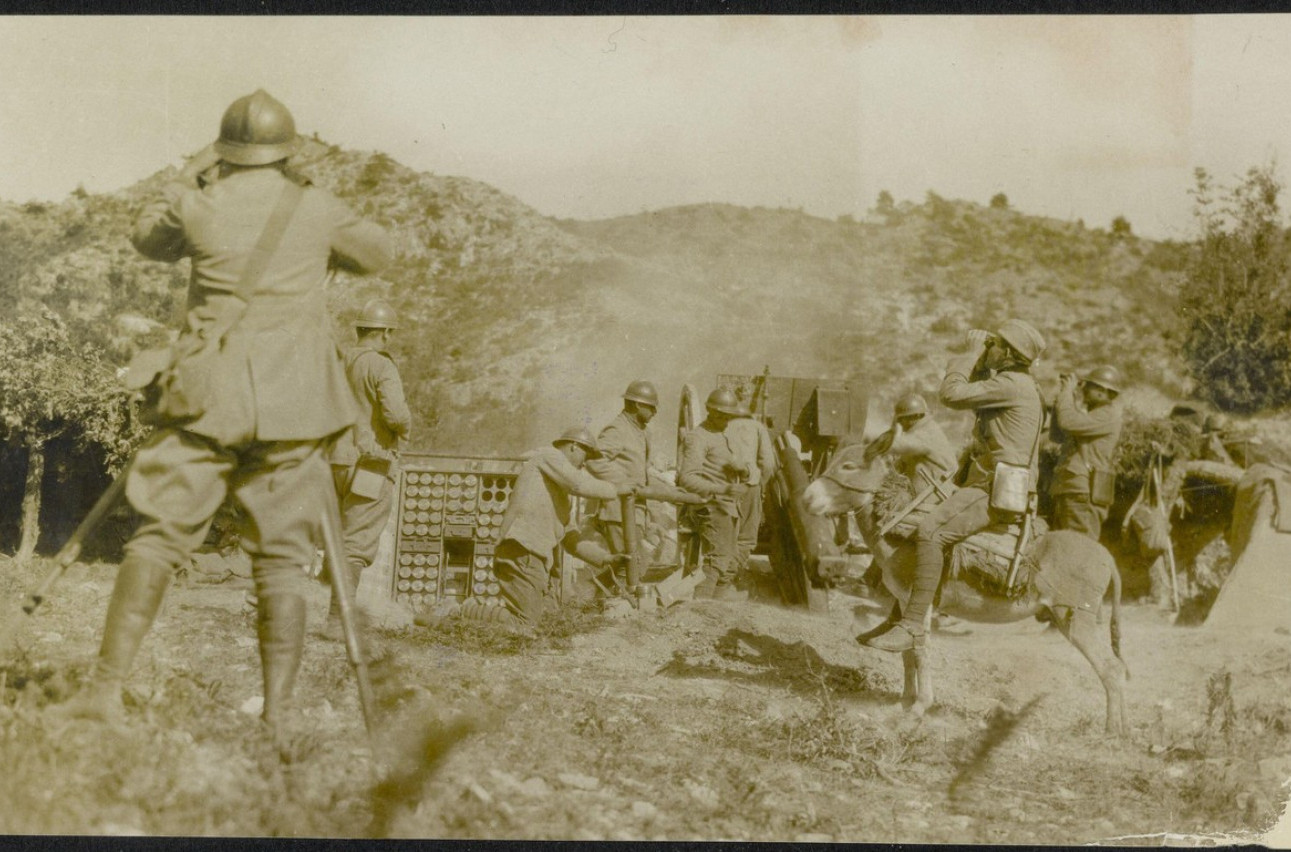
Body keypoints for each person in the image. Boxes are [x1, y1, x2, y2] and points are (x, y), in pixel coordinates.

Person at [52, 91, 393, 742]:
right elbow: (376, 254)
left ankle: (102, 695)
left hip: (206, 399)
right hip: (292, 409)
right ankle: (278, 718)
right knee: (282, 560)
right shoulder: (314, 206)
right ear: (286, 151)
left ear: (225, 151)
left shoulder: (198, 203)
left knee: (156, 538)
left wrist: (186, 177)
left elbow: (147, 237)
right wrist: (310, 189)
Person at [864, 319, 1046, 653]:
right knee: (921, 518)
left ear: (1007, 354)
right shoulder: (1015, 383)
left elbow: (951, 394)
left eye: (995, 345)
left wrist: (971, 350)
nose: (989, 348)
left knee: (930, 532)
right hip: (990, 483)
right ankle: (899, 613)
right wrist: (979, 358)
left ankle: (914, 626)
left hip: (993, 489)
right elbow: (974, 394)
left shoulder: (1012, 385)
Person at [452, 427, 630, 633]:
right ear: (573, 446)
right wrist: (616, 489)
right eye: (585, 455)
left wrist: (605, 559)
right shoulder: (547, 456)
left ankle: (465, 613)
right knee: (527, 625)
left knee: (545, 621)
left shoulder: (561, 497)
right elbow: (579, 485)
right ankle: (462, 612)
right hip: (522, 551)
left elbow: (570, 538)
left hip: (531, 556)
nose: (584, 464)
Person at [323, 299, 412, 640]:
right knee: (356, 544)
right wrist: (405, 429)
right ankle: (336, 621)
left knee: (331, 538)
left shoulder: (338, 362)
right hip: (370, 463)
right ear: (386, 334)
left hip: (333, 461)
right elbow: (396, 415)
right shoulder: (381, 365)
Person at [577, 380, 659, 588]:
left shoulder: (639, 432)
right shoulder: (618, 428)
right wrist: (623, 482)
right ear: (637, 405)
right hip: (617, 510)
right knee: (631, 564)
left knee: (630, 564)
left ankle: (591, 599)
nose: (655, 412)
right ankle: (599, 604)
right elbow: (594, 459)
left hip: (633, 510)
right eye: (651, 407)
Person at [678, 388, 750, 600]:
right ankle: (700, 612)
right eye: (721, 415)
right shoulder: (698, 437)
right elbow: (687, 478)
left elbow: (740, 469)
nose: (726, 419)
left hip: (728, 507)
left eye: (729, 416)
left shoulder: (724, 436)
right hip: (711, 507)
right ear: (710, 411)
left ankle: (715, 613)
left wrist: (743, 470)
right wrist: (723, 489)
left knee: (728, 563)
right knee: (717, 560)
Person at [1050, 365, 1124, 540]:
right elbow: (1057, 435)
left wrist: (1067, 394)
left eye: (1089, 386)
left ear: (1102, 392)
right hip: (1072, 489)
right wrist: (1063, 398)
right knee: (1063, 548)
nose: (1083, 389)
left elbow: (1068, 422)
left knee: (1078, 550)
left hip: (1082, 493)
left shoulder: (1107, 415)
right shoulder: (1088, 416)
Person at [724, 400, 778, 587]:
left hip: (722, 487)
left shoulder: (722, 425)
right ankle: (728, 576)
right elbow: (768, 463)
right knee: (746, 537)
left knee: (725, 532)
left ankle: (721, 573)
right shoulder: (757, 427)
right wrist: (761, 486)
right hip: (749, 486)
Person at [872, 393, 958, 493]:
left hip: (936, 494)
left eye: (901, 419)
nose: (899, 423)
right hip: (928, 490)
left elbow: (897, 445)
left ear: (914, 417)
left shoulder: (927, 433)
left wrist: (893, 432)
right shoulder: (923, 429)